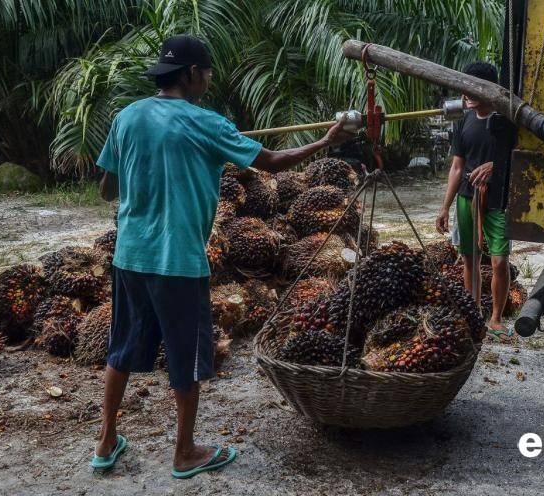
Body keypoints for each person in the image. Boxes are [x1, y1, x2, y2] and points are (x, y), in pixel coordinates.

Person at [91, 35, 353, 478]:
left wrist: (145, 169)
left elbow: (107, 188)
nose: (210, 78)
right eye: (208, 72)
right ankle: (185, 453)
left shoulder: (127, 117)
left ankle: (105, 443)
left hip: (129, 257)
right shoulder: (207, 124)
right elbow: (270, 162)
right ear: (192, 74)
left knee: (120, 349)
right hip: (177, 261)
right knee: (186, 358)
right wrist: (325, 141)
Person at [435, 61, 515, 342]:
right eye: (464, 87)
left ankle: (495, 318)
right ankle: (474, 313)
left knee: (499, 261)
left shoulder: (508, 121)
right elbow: (457, 167)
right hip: (467, 200)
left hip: (498, 203)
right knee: (470, 259)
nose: (466, 94)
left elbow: (520, 159)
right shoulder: (464, 122)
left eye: (472, 87)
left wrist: (495, 166)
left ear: (489, 90)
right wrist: (445, 206)